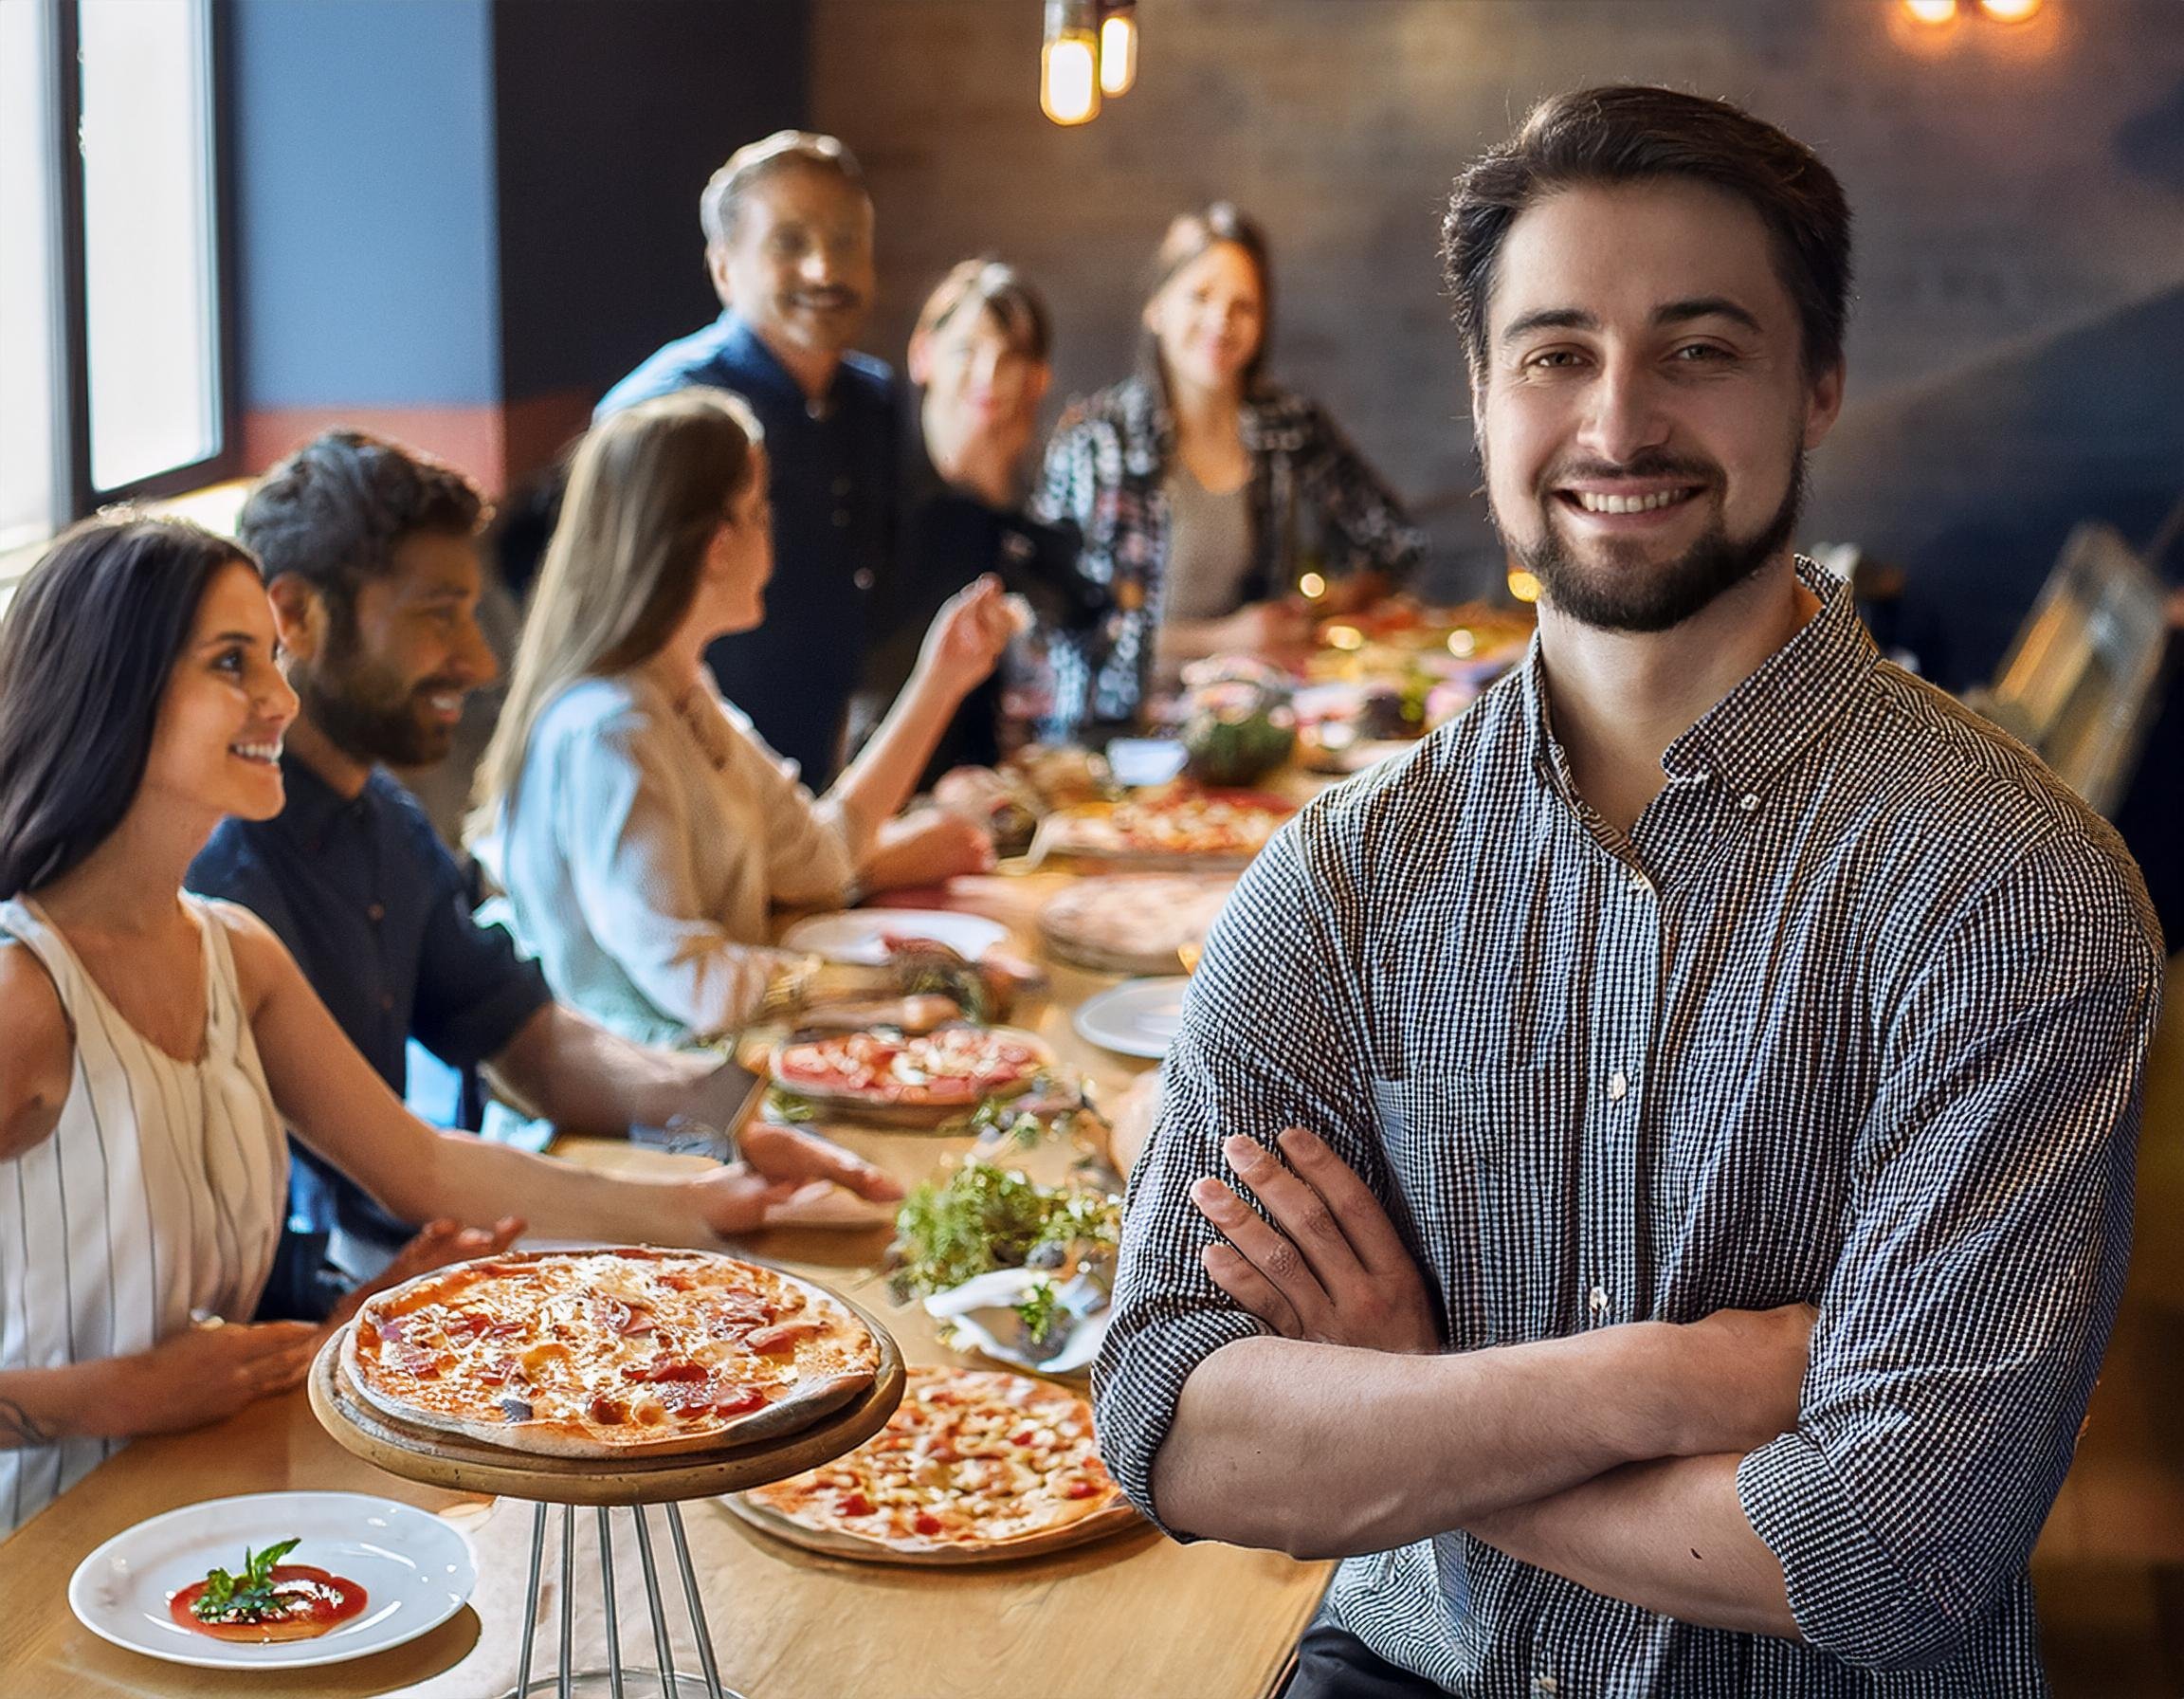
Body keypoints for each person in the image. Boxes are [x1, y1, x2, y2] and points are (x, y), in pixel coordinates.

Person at [1095, 86, 2162, 1695]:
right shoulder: (1338, 875)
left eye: (1696, 347)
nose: (1614, 423)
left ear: (1815, 383)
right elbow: (1170, 1421)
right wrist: (1664, 1384)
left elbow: (1882, 1541)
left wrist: (1421, 1404)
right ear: (1477, 394)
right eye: (1553, 353)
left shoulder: (2010, 892)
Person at [0, 515, 901, 1535]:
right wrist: (114, 1396)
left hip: (208, 1501)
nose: (281, 699)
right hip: (38, 1545)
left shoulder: (234, 950)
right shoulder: (23, 993)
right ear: (109, 686)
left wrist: (704, 1207)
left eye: (274, 658)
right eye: (230, 661)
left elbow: (426, 1164)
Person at [186, 430, 774, 1316]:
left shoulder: (382, 813)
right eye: (436, 615)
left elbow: (530, 1039)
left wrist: (730, 1115)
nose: (480, 660)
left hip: (402, 1300)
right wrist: (690, 1200)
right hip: (297, 1346)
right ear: (294, 617)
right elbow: (405, 1172)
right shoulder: (217, 872)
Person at [468, 388, 1013, 1050]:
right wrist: (888, 986)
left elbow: (825, 857)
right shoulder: (611, 730)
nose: (772, 538)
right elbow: (699, 987)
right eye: (761, 513)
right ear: (719, 546)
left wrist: (941, 681)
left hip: (709, 1078)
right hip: (634, 1127)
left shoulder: (682, 694)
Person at [1035, 202, 1426, 740]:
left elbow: (1393, 542)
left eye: (1244, 305)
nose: (1221, 321)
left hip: (1249, 726)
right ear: (1156, 306)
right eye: (1199, 296)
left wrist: (1308, 614)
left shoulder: (1287, 425)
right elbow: (1058, 630)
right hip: (1107, 738)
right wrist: (1224, 639)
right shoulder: (1096, 438)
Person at [597, 130, 894, 787]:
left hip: (818, 782)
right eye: (790, 243)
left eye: (846, 242)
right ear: (724, 268)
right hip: (680, 778)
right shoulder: (668, 410)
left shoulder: (875, 403)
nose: (824, 269)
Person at [875, 259, 1101, 775]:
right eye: (966, 350)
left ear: (1039, 378)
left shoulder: (1038, 506)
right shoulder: (885, 505)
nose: (989, 376)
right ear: (922, 354)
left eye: (1011, 356)